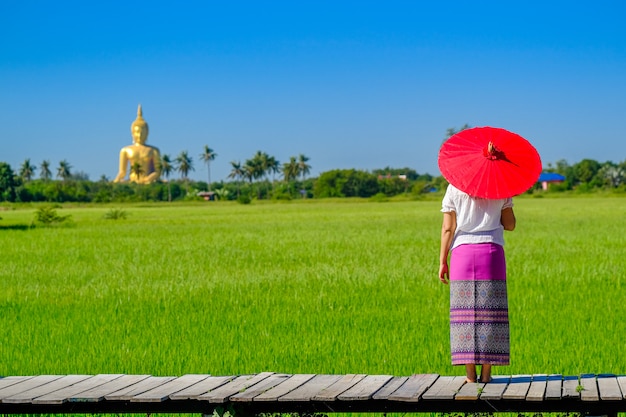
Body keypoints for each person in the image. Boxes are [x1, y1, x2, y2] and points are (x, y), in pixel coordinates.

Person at [438, 183, 516, 383]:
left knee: (464, 313)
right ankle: (487, 373)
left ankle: (470, 374)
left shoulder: (454, 187)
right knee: (491, 312)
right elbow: (510, 225)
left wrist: (442, 261)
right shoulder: (501, 186)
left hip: (462, 254)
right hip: (491, 252)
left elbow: (448, 228)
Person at [113, 105, 161, 184]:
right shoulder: (125, 150)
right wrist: (114, 182)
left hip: (148, 182)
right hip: (132, 181)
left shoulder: (154, 150)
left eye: (142, 132)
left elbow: (158, 171)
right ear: (132, 133)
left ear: (147, 133)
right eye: (137, 132)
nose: (139, 135)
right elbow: (122, 172)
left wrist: (148, 179)